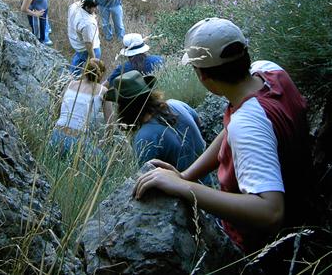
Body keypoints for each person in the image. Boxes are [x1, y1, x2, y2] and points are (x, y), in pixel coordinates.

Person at [133, 18, 313, 256]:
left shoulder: (247, 124)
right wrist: (186, 175)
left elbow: (271, 212)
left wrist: (183, 187)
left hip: (258, 247)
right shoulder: (269, 71)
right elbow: (235, 127)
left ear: (203, 77)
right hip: (301, 201)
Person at [105, 70, 210, 182]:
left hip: (188, 190)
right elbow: (200, 124)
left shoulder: (144, 137)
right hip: (211, 178)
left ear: (124, 107)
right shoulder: (177, 104)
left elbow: (147, 178)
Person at [50, 58, 113, 153]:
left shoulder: (70, 84)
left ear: (84, 70)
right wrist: (104, 143)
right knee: (103, 159)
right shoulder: (103, 91)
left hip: (56, 135)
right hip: (78, 141)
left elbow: (57, 110)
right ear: (102, 73)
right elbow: (110, 124)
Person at [68, 0, 101, 75]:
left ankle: (72, 74)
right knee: (89, 61)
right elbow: (88, 44)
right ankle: (88, 77)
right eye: (94, 7)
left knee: (78, 58)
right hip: (85, 47)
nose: (96, 9)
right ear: (87, 7)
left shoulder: (74, 6)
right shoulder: (87, 24)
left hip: (75, 40)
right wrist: (93, 59)